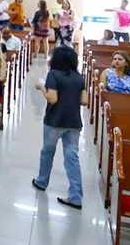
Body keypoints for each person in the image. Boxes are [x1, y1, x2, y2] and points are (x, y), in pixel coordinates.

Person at [32, 46, 88, 209]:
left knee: (48, 151)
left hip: (55, 120)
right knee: (72, 157)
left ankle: (42, 181)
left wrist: (41, 87)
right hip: (74, 122)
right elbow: (84, 100)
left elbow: (52, 98)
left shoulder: (53, 75)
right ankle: (76, 197)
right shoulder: (78, 77)